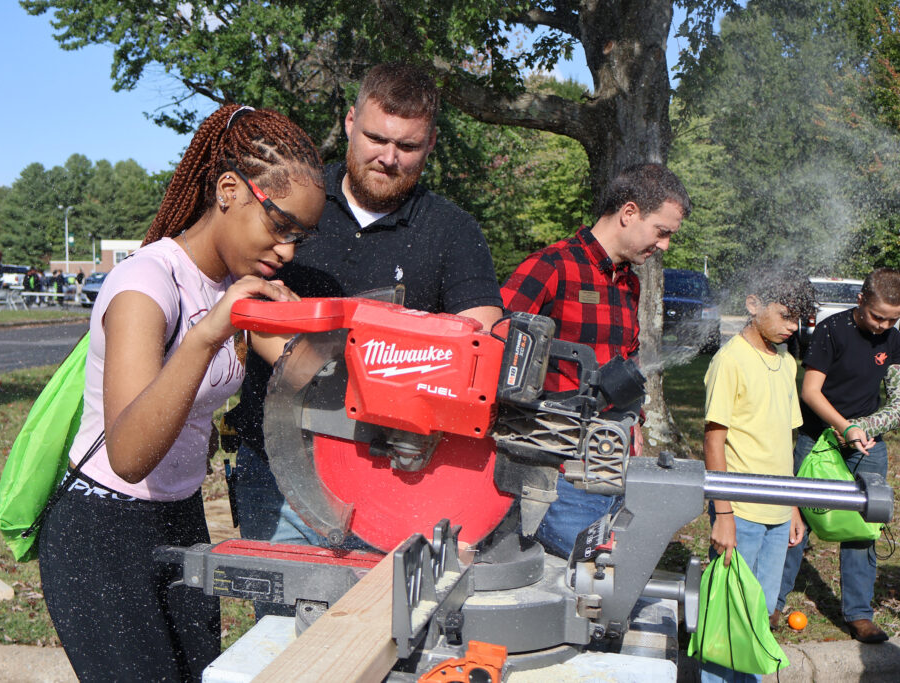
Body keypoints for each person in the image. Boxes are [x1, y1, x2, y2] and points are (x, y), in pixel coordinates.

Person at [37, 104, 325, 681]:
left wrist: (320, 337)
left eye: (301, 235)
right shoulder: (146, 284)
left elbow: (316, 382)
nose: (289, 250)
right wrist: (207, 334)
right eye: (280, 225)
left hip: (180, 520)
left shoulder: (239, 284)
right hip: (102, 532)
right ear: (229, 190)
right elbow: (129, 453)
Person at [227, 62, 504, 552]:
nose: (389, 158)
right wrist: (345, 374)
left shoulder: (453, 230)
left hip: (389, 480)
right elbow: (243, 302)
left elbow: (480, 337)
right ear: (351, 122)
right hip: (276, 466)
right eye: (376, 138)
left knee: (378, 624)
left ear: (432, 143)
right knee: (280, 627)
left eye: (408, 146)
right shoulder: (297, 199)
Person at [500, 163, 690, 558]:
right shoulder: (551, 266)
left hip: (608, 461)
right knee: (575, 573)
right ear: (629, 213)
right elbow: (494, 347)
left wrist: (633, 420)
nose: (666, 245)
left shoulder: (629, 283)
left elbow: (629, 359)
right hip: (557, 471)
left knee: (602, 577)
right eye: (663, 232)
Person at [775, 267, 900, 644]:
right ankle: (772, 604)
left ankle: (859, 615)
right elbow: (811, 391)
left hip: (867, 449)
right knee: (796, 524)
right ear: (860, 301)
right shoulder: (832, 330)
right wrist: (845, 427)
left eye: (893, 318)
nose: (883, 325)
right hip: (818, 440)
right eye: (878, 316)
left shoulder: (892, 337)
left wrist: (871, 427)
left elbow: (896, 393)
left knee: (864, 527)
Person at [700, 271, 813, 683]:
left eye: (797, 320)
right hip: (741, 513)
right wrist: (723, 514)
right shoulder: (729, 360)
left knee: (762, 612)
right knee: (729, 614)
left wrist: (794, 505)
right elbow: (714, 442)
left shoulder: (786, 361)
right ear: (753, 304)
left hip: (779, 511)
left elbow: (787, 439)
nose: (791, 327)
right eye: (785, 316)